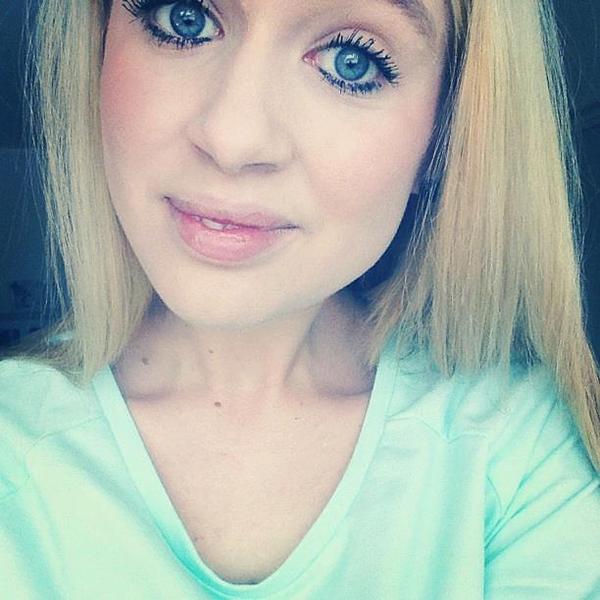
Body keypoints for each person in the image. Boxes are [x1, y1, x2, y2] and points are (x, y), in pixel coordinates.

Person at [1, 0, 599, 597]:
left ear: (445, 135)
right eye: (185, 18)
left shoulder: (516, 451)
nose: (232, 139)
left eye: (350, 61)